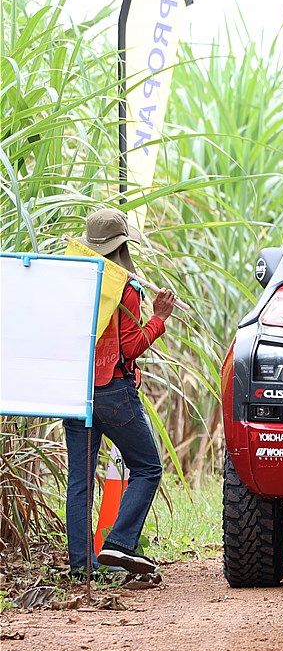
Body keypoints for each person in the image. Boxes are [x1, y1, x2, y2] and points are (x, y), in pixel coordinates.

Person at [64, 208, 176, 584]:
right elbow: (129, 348)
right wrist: (159, 317)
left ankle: (82, 569)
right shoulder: (126, 287)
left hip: (77, 391)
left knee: (79, 481)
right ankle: (120, 542)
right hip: (113, 392)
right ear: (122, 246)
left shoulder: (72, 280)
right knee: (147, 467)